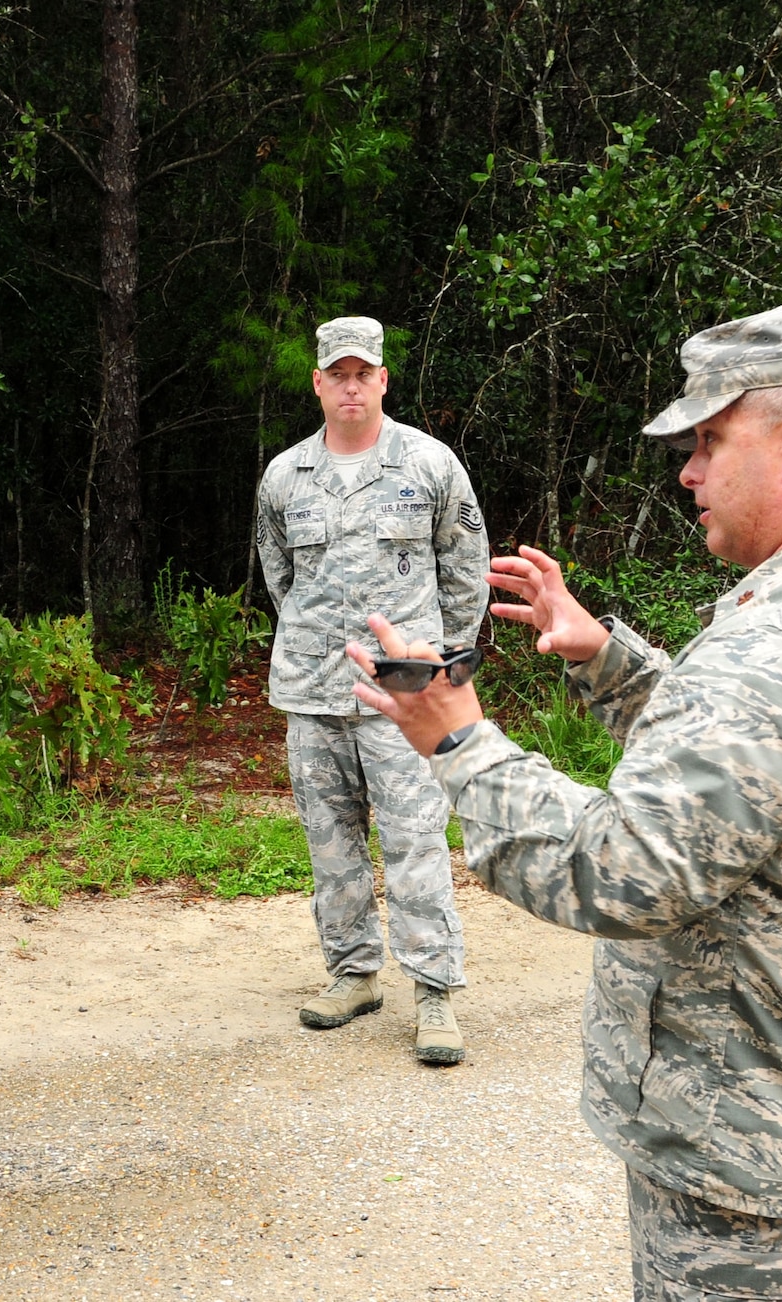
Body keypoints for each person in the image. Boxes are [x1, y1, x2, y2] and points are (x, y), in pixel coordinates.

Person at [347, 301, 782, 1300]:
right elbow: (764, 786)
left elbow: (625, 870)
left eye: (705, 439)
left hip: (746, 1167)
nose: (686, 471)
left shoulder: (781, 643)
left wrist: (456, 739)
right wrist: (608, 664)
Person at [254, 315, 489, 1064]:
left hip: (406, 694)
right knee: (331, 843)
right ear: (319, 383)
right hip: (314, 690)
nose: (352, 386)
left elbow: (465, 568)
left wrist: (444, 664)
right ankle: (353, 974)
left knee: (416, 839)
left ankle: (433, 995)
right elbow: (280, 577)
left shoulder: (428, 464)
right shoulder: (285, 476)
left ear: (383, 380)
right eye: (338, 374)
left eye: (365, 373)